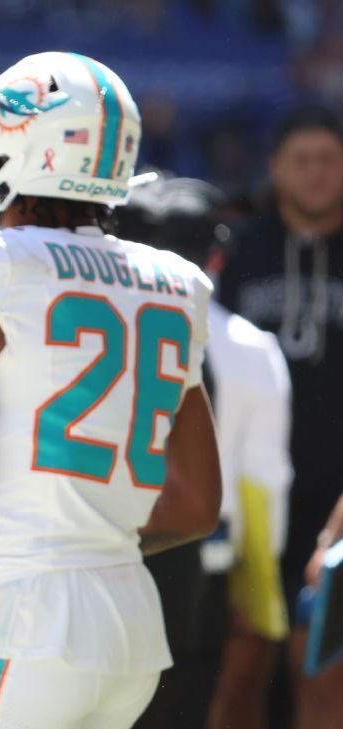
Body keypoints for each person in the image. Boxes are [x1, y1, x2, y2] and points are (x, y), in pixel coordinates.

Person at [0, 52, 221, 727]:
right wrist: (90, 544)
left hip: (27, 623)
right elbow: (198, 505)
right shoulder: (177, 281)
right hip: (131, 631)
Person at [117, 176, 293, 729]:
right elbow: (265, 480)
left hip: (105, 551)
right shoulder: (252, 347)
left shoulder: (105, 327)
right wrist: (260, 592)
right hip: (207, 566)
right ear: (215, 256)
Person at [216, 106, 343, 729]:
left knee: (322, 674)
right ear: (275, 168)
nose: (316, 173)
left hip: (336, 495)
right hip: (251, 496)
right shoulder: (239, 249)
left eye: (329, 160)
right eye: (302, 160)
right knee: (240, 673)